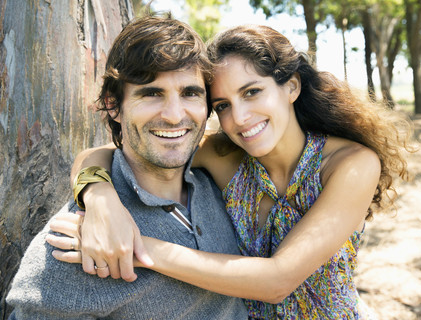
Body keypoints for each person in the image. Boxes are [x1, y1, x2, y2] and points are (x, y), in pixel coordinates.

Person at [50, 25, 413, 319]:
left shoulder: (349, 164)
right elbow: (107, 154)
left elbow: (278, 281)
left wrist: (132, 246)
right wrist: (100, 200)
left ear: (291, 86)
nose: (239, 118)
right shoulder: (224, 155)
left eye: (252, 92)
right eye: (223, 105)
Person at [6, 15, 249, 320]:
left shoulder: (220, 184)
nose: (175, 116)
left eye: (190, 93)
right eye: (152, 93)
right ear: (113, 105)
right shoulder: (76, 243)